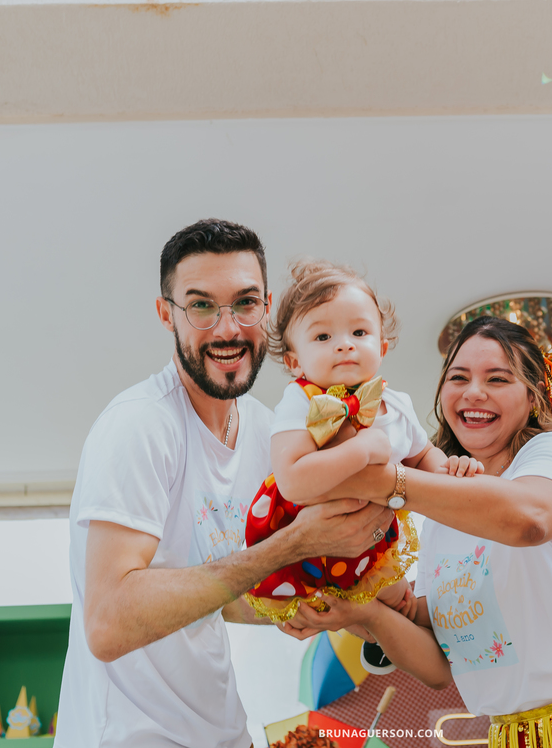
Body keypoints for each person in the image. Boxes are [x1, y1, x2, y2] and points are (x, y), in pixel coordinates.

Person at [284, 316, 552, 748]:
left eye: (497, 379)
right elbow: (442, 667)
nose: (474, 392)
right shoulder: (440, 509)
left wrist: (380, 479)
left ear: (534, 396)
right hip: (510, 734)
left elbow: (530, 521)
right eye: (458, 378)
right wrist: (363, 612)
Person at [55, 220, 396, 748]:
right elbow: (108, 623)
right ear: (166, 313)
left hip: (222, 732)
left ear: (268, 306)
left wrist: (308, 604)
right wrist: (295, 545)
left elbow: (218, 591)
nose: (228, 328)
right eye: (201, 306)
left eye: (245, 302)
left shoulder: (269, 431)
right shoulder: (139, 425)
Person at [241, 260, 481, 666]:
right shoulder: (301, 402)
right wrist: (362, 450)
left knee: (400, 600)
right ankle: (378, 636)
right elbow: (294, 480)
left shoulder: (396, 403)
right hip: (308, 553)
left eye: (359, 332)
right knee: (328, 611)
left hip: (373, 545)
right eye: (322, 335)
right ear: (295, 361)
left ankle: (434, 643)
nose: (344, 344)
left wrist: (450, 471)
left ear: (382, 347)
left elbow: (422, 455)